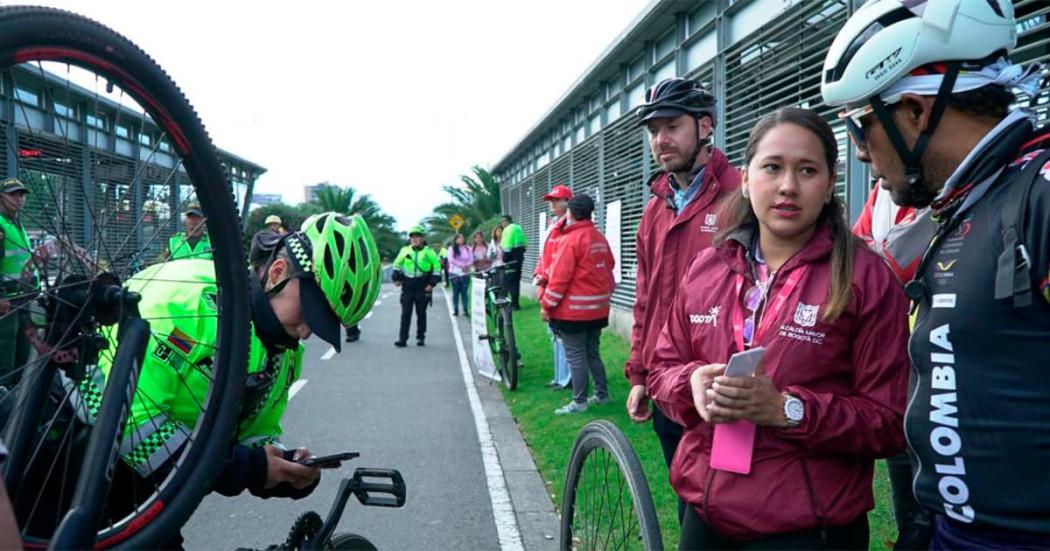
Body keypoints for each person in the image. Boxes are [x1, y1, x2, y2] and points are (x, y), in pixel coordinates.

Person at [822, 1, 1050, 547]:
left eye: (861, 126)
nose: (859, 154)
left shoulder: (1039, 197)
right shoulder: (968, 205)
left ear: (916, 112)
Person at [648, 107, 909, 549]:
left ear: (829, 185)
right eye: (772, 167)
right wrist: (689, 384)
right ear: (746, 179)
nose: (788, 186)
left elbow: (891, 421)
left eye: (807, 170)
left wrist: (788, 410)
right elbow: (662, 368)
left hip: (808, 525)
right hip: (706, 513)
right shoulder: (707, 266)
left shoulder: (867, 278)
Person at [77, 212, 381, 542]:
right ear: (277, 272)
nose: (307, 332)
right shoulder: (189, 302)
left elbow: (255, 432)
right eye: (310, 312)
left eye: (322, 325)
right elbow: (131, 425)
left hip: (146, 491)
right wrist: (251, 469)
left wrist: (285, 468)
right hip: (71, 462)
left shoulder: (286, 351)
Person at [623, 77, 741, 521]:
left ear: (705, 125)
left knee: (727, 510)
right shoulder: (655, 207)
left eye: (672, 126)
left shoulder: (743, 196)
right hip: (669, 388)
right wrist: (640, 374)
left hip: (723, 390)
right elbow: (646, 299)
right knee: (687, 500)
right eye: (654, 130)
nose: (660, 140)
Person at [542, 194, 615, 415]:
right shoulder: (599, 237)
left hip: (573, 313)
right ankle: (602, 395)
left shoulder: (569, 240)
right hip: (598, 309)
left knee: (576, 356)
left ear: (570, 213)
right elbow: (610, 264)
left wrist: (547, 305)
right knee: (592, 353)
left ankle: (579, 401)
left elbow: (559, 278)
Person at [535, 184, 572, 389]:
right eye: (552, 201)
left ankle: (566, 378)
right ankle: (560, 376)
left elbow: (560, 259)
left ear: (568, 202)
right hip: (547, 281)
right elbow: (544, 253)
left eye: (557, 200)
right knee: (554, 334)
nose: (553, 204)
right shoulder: (553, 224)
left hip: (555, 284)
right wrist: (538, 272)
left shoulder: (567, 225)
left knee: (562, 335)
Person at [0, 178, 33, 389]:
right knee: (5, 347)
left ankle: (18, 397)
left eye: (21, 195)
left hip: (23, 295)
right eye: (13, 194)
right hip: (7, 297)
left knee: (24, 348)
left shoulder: (16, 223)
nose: (19, 199)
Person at [391, 225, 441, 347]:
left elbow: (437, 268)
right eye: (412, 237)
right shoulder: (405, 250)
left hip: (422, 285)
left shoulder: (428, 252)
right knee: (405, 313)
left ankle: (420, 337)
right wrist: (396, 278)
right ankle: (402, 339)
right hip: (408, 285)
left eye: (417, 236)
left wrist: (431, 284)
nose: (415, 239)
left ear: (423, 238)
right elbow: (396, 265)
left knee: (421, 313)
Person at [499, 214, 527, 309]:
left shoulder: (507, 230)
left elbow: (507, 247)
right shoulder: (518, 228)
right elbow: (524, 244)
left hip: (511, 260)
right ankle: (516, 303)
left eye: (502, 221)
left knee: (510, 282)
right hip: (519, 259)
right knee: (516, 281)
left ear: (507, 221)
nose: (502, 224)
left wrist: (504, 259)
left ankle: (513, 304)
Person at [447, 233, 473, 316]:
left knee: (464, 291)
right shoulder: (451, 249)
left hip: (465, 272)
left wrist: (467, 265)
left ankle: (465, 309)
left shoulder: (467, 248)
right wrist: (461, 265)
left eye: (462, 238)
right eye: (459, 238)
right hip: (455, 272)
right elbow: (451, 259)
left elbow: (471, 258)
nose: (461, 239)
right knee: (456, 292)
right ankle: (455, 309)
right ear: (455, 240)